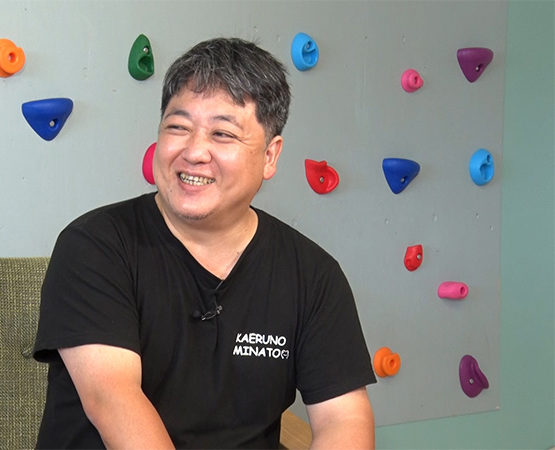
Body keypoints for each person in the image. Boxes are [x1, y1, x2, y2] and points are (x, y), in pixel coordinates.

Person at [33, 37, 376, 449]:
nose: (195, 152)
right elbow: (114, 400)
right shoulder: (94, 246)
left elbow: (343, 418)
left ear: (270, 156)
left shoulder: (313, 276)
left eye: (223, 134)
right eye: (178, 127)